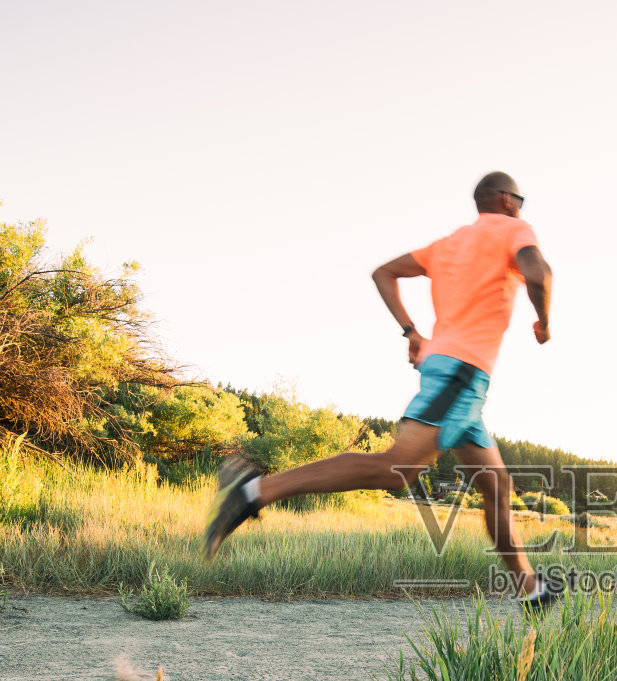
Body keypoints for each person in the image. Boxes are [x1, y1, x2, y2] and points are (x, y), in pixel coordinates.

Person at [203, 171, 561, 608]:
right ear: (505, 199)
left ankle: (531, 590)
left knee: (496, 487)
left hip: (457, 376)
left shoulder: (449, 245)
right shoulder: (513, 229)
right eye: (519, 199)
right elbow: (539, 274)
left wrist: (411, 332)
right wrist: (543, 321)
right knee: (397, 468)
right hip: (461, 373)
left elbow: (384, 273)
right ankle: (253, 491)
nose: (521, 207)